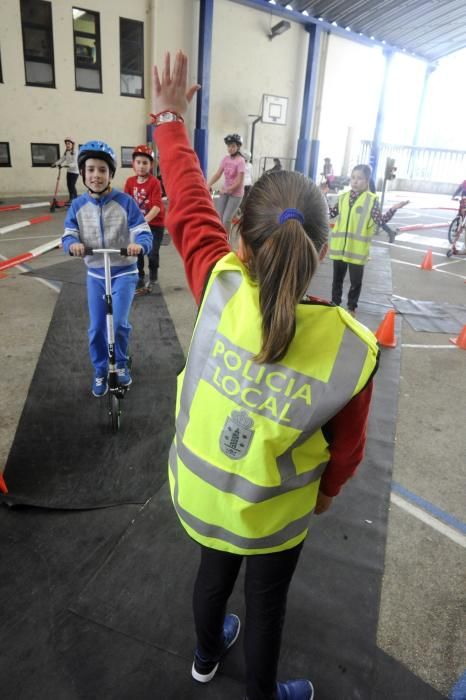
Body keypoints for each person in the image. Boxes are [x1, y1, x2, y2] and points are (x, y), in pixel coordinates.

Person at [151, 51, 380, 700]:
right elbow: (349, 449)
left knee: (211, 580)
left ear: (238, 241)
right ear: (321, 254)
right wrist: (328, 495)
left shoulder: (219, 286)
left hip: (202, 496)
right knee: (266, 604)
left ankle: (203, 655)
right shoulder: (349, 349)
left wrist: (168, 119)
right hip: (275, 516)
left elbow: (188, 203)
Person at [62, 140, 152, 397]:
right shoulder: (78, 206)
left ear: (110, 174)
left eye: (102, 170)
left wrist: (140, 245)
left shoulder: (125, 202)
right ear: (82, 173)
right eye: (90, 169)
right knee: (98, 327)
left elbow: (142, 231)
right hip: (96, 275)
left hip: (123, 272)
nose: (96, 175)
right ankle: (101, 369)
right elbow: (68, 234)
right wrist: (73, 244)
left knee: (119, 323)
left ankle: (121, 364)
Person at [328, 164, 408, 314]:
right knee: (336, 280)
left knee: (355, 282)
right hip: (339, 247)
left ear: (367, 181)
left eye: (359, 178)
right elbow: (331, 214)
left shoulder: (371, 200)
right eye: (353, 178)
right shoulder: (343, 197)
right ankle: (335, 303)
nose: (355, 181)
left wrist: (393, 209)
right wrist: (321, 200)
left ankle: (352, 306)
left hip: (356, 250)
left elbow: (379, 220)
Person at [124, 144, 166, 289]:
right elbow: (126, 204)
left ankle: (153, 274)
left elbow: (156, 207)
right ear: (133, 164)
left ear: (151, 165)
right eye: (139, 162)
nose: (141, 166)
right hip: (137, 225)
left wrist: (142, 221)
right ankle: (140, 276)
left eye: (145, 163)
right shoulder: (130, 182)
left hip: (155, 225)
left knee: (153, 252)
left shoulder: (155, 182)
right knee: (138, 252)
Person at [207, 133, 245, 238]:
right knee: (219, 216)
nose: (230, 148)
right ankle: (219, 236)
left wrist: (227, 189)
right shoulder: (225, 159)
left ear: (238, 147)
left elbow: (239, 182)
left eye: (233, 146)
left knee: (226, 219)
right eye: (229, 146)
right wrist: (208, 184)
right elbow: (218, 174)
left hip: (236, 194)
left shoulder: (241, 161)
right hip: (224, 192)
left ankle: (225, 240)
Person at [51, 137, 79, 203]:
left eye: (69, 144)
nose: (67, 145)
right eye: (66, 144)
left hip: (75, 172)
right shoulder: (67, 152)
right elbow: (62, 159)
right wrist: (55, 164)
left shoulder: (75, 151)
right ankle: (71, 198)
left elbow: (75, 162)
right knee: (69, 185)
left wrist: (68, 165)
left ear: (72, 144)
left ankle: (75, 199)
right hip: (69, 171)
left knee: (72, 185)